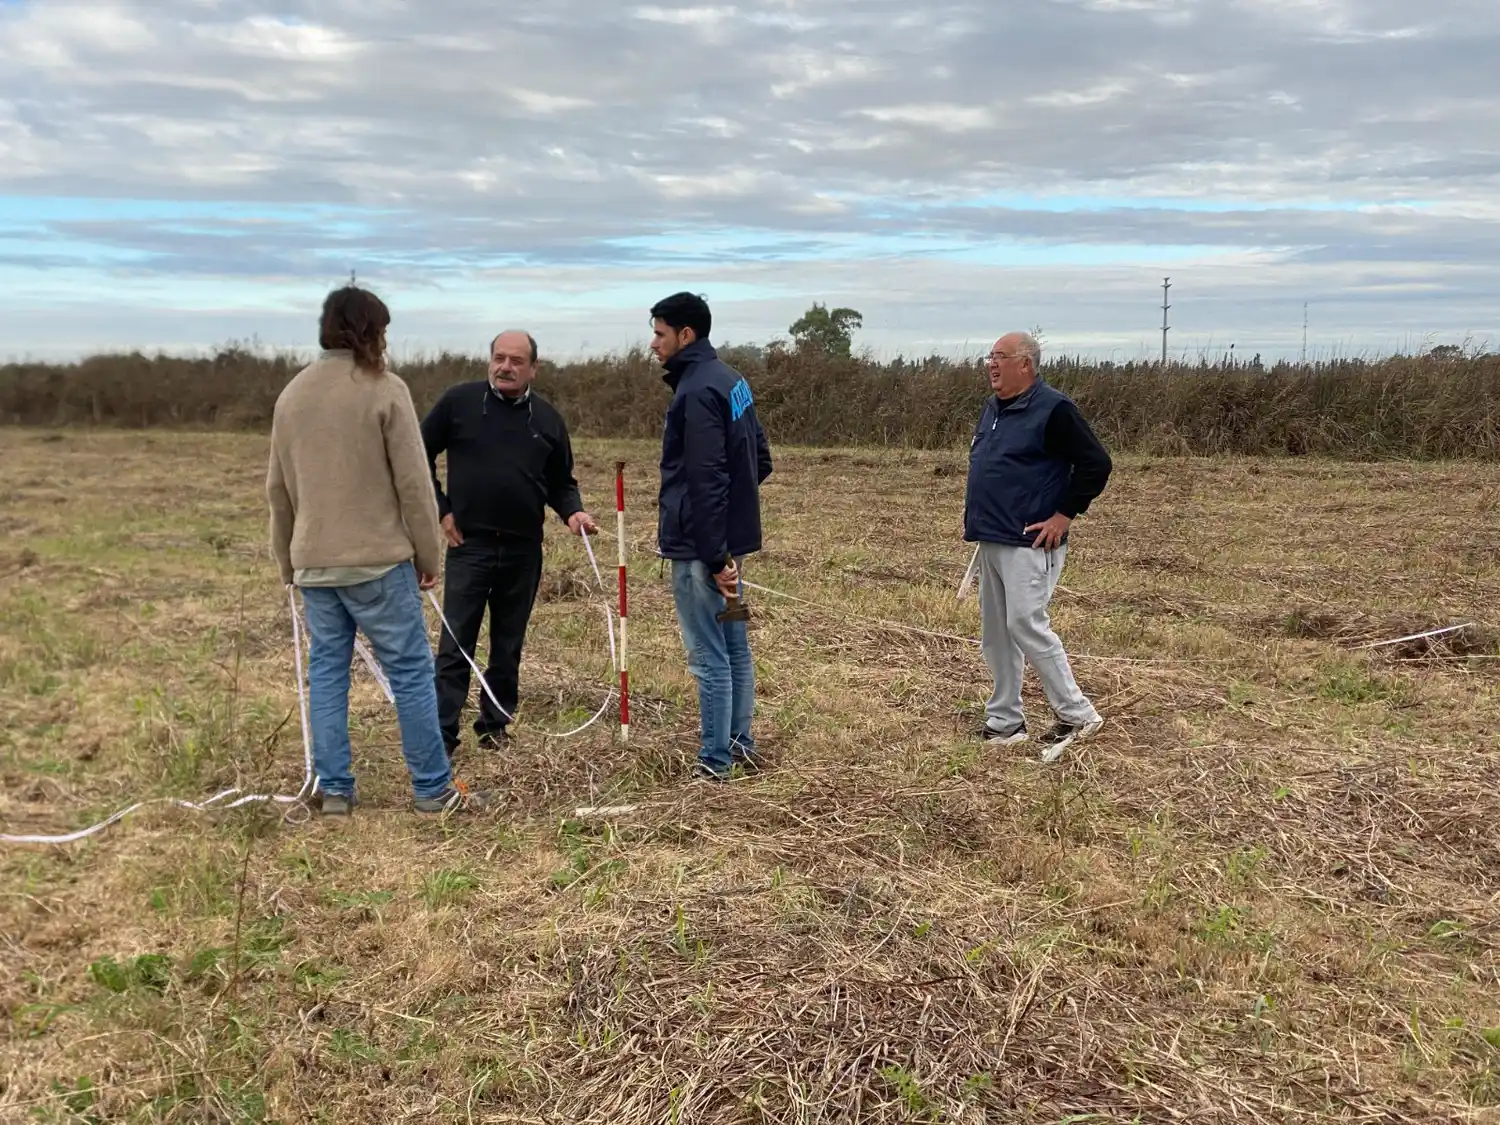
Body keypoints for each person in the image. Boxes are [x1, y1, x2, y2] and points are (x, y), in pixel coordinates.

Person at [266, 285, 482, 815]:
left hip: (314, 564)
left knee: (328, 675)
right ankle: (433, 789)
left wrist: (288, 565)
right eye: (382, 330)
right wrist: (429, 558)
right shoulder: (386, 389)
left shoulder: (291, 395)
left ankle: (335, 790)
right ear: (371, 332)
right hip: (379, 563)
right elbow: (414, 483)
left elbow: (278, 489)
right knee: (410, 672)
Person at [420, 329, 598, 755]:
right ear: (489, 361)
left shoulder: (549, 419)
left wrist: (572, 512)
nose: (506, 367)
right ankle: (442, 736)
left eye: (517, 361)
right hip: (470, 546)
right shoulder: (458, 403)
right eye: (499, 358)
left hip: (523, 550)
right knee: (455, 644)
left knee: (508, 644)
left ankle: (494, 727)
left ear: (534, 368)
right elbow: (416, 454)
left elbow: (560, 482)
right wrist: (441, 508)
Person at [963, 331, 1111, 763]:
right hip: (990, 536)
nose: (992, 364)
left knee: (1026, 623)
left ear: (1025, 364)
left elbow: (1096, 464)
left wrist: (1064, 514)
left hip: (1029, 540)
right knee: (996, 633)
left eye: (1001, 357)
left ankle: (1077, 715)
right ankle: (1005, 722)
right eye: (989, 357)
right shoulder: (992, 409)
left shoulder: (1055, 409)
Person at [648, 292, 773, 781]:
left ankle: (715, 760)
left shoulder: (696, 391)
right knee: (735, 646)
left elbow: (705, 477)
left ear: (686, 335)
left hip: (703, 550)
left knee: (709, 654)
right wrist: (730, 536)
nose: (653, 344)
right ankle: (741, 743)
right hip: (726, 543)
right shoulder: (732, 380)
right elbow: (759, 461)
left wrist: (714, 553)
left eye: (660, 333)